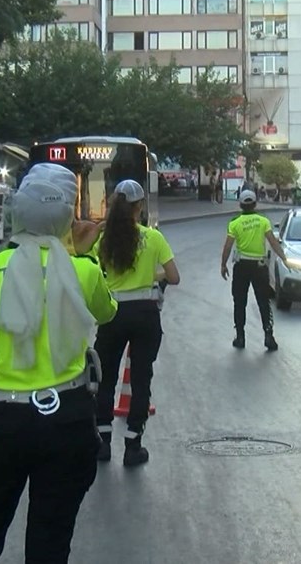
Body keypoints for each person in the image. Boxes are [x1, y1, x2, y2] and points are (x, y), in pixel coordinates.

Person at [0, 163, 117, 564]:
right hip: (68, 423)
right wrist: (80, 251)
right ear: (65, 220)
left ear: (16, 213)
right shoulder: (83, 273)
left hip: (1, 425)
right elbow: (105, 313)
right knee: (51, 545)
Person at [92, 180, 180, 466]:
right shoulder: (153, 238)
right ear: (140, 206)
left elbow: (93, 273)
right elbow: (174, 276)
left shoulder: (103, 240)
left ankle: (103, 443)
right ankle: (133, 446)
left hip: (112, 313)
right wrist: (151, 277)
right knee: (141, 379)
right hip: (145, 315)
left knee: (105, 377)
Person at [220, 190, 288, 351]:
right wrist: (284, 258)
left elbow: (228, 246)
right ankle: (269, 335)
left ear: (241, 205)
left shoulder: (234, 223)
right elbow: (272, 241)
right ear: (255, 204)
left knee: (239, 302)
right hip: (259, 267)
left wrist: (223, 265)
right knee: (263, 302)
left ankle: (240, 337)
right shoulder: (263, 221)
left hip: (242, 266)